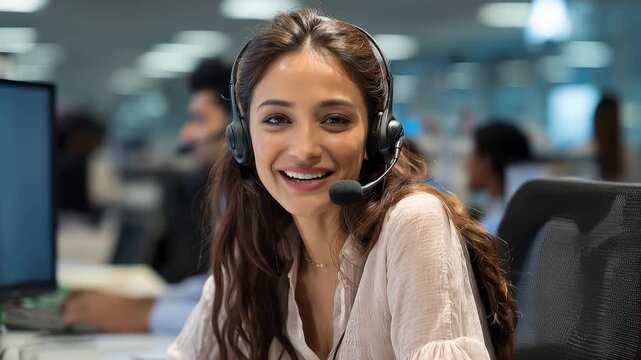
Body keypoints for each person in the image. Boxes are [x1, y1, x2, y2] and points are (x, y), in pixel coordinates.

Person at [169, 9, 517, 360]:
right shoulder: (256, 244)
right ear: (243, 138)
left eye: (334, 120)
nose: (305, 149)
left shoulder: (412, 224)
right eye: (277, 119)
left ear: (376, 137)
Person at [62, 58, 232, 335]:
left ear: (237, 129)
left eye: (199, 121)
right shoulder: (229, 194)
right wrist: (149, 301)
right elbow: (223, 285)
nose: (186, 134)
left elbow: (245, 315)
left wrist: (143, 314)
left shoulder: (269, 201)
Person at [466, 122, 532, 235]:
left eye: (473, 155)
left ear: (487, 162)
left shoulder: (492, 228)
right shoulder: (521, 215)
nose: (467, 164)